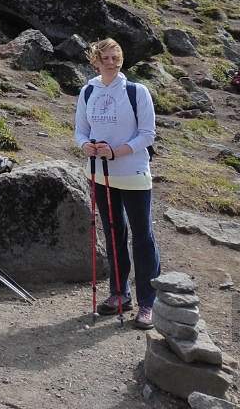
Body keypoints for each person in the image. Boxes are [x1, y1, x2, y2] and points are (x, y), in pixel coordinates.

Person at [74, 37, 161, 330]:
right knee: (113, 234)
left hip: (133, 172)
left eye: (116, 57)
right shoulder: (88, 91)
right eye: (106, 58)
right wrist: (86, 145)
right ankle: (119, 293)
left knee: (142, 236)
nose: (112, 62)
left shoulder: (137, 91)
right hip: (99, 173)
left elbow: (148, 134)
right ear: (95, 61)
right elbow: (80, 130)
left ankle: (148, 302)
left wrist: (116, 151)